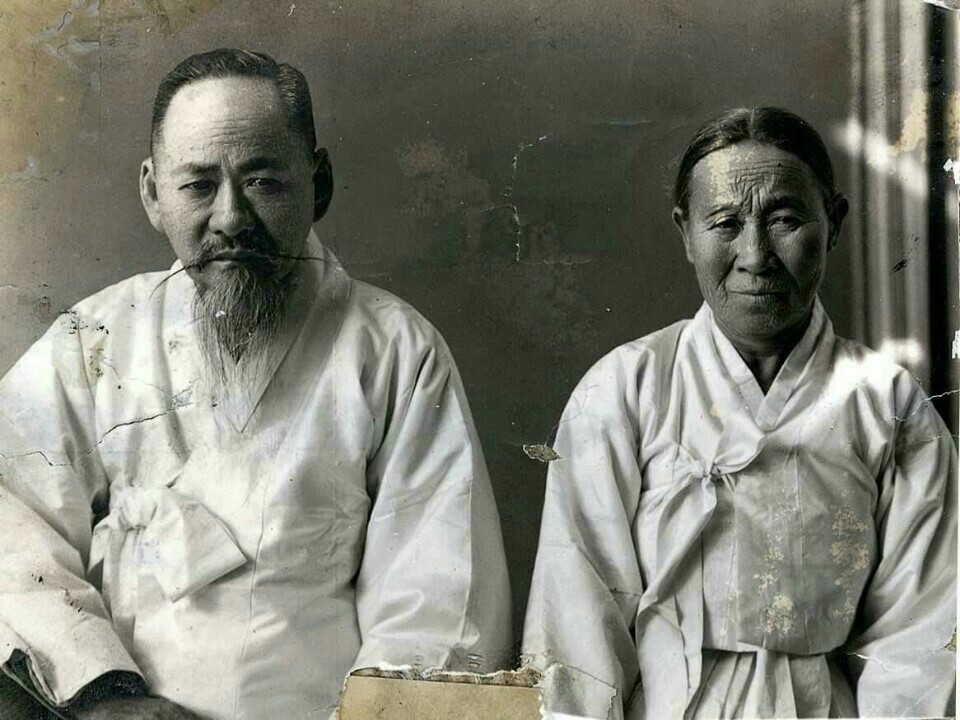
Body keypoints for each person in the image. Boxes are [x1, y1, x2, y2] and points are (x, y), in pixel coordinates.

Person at [0, 48, 512, 719]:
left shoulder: (394, 351)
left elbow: (437, 602)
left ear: (318, 185)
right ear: (153, 193)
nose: (231, 218)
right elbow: (13, 526)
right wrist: (102, 694)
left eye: (264, 181)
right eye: (197, 186)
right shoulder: (93, 338)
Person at [523, 107, 957, 719]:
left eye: (784, 220)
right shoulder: (625, 389)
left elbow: (924, 638)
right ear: (685, 232)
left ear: (833, 223)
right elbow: (576, 630)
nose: (755, 255)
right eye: (725, 223)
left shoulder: (888, 404)